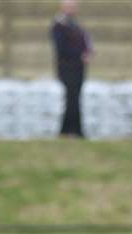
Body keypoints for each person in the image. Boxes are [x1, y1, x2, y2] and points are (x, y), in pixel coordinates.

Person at [52, 0, 93, 138]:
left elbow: (85, 42)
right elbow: (61, 49)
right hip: (67, 68)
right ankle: (70, 131)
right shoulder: (59, 26)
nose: (72, 9)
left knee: (75, 99)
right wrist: (80, 55)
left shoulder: (76, 26)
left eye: (74, 7)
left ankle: (72, 130)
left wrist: (88, 52)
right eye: (70, 7)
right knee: (71, 99)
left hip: (78, 68)